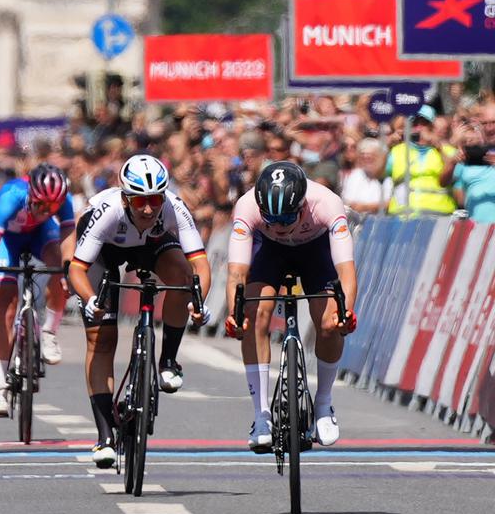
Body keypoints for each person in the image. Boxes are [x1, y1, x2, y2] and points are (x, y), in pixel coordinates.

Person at [66, 154, 211, 467]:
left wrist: (198, 303)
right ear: (125, 196)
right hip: (104, 250)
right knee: (101, 338)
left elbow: (200, 263)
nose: (148, 208)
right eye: (140, 200)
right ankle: (105, 435)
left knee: (182, 278)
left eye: (155, 199)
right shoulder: (107, 211)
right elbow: (76, 270)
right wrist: (91, 299)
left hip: (151, 243)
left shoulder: (173, 207)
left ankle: (168, 361)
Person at [223, 161, 358, 453]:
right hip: (269, 251)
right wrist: (234, 315)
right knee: (253, 314)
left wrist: (345, 313)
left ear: (302, 205)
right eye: (271, 218)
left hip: (315, 250)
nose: (280, 226)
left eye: (287, 218)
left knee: (330, 323)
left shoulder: (327, 203)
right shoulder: (247, 207)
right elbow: (236, 273)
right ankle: (261, 417)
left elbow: (346, 270)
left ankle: (323, 405)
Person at [0, 163, 70, 417]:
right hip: (10, 240)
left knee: (59, 266)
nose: (45, 211)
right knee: (6, 305)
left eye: (52, 207)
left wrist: (68, 273)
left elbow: (68, 238)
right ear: (31, 195)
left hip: (41, 236)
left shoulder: (63, 200)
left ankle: (49, 330)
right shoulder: (11, 198)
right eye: (40, 205)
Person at [385, 105, 457, 216]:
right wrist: (386, 143)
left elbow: (455, 175)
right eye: (414, 124)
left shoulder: (448, 151)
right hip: (402, 219)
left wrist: (438, 147)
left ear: (433, 127)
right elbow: (375, 172)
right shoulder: (396, 151)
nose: (418, 128)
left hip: (438, 219)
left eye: (424, 123)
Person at [440, 104, 495, 223]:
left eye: (493, 122)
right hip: (476, 229)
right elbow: (443, 182)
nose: (490, 128)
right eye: (485, 123)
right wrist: (452, 161)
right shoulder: (469, 154)